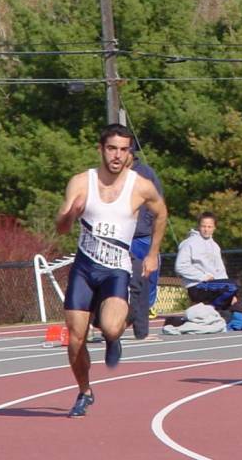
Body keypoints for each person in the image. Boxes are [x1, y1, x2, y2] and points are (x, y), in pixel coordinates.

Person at [56, 123, 167, 418]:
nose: (117, 155)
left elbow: (162, 213)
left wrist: (153, 253)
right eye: (111, 148)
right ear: (100, 149)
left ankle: (113, 337)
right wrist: (71, 214)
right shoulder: (81, 182)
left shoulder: (140, 185)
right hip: (84, 267)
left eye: (123, 149)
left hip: (116, 268)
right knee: (75, 337)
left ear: (129, 152)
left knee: (111, 327)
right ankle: (84, 391)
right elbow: (61, 225)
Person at [127, 148, 164, 339]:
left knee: (145, 277)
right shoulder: (107, 174)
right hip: (119, 238)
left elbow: (159, 205)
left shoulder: (146, 173)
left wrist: (147, 222)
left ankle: (142, 319)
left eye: (125, 150)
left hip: (142, 236)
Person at [174, 212, 242, 311]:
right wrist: (203, 277)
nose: (206, 229)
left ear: (214, 228)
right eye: (203, 226)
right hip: (197, 286)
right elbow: (180, 266)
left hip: (213, 285)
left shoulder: (215, 246)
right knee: (233, 285)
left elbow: (220, 271)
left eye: (209, 227)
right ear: (199, 226)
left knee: (237, 303)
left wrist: (233, 295)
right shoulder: (189, 243)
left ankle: (219, 311)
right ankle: (212, 309)